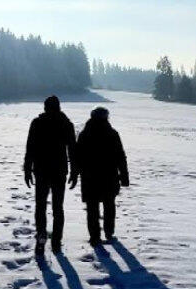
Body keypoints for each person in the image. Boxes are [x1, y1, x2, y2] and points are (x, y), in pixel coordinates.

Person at [23, 95, 77, 255]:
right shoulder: (66, 124)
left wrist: (27, 169)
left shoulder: (37, 123)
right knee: (57, 207)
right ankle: (56, 241)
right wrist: (74, 171)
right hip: (59, 170)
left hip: (41, 169)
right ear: (59, 107)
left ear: (45, 107)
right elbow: (72, 151)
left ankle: (41, 237)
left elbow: (30, 148)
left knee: (40, 205)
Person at [74, 106, 129, 246]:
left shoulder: (84, 134)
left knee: (92, 208)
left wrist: (76, 173)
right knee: (109, 205)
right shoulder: (112, 133)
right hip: (109, 176)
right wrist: (124, 176)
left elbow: (77, 157)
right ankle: (109, 232)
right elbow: (120, 156)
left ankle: (94, 236)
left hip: (89, 177)